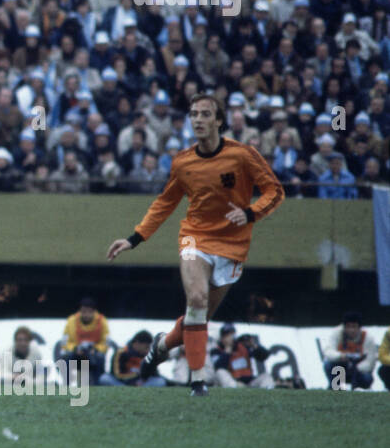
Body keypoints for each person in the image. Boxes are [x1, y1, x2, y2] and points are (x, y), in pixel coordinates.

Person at [109, 93, 284, 397]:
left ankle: (161, 345)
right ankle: (198, 381)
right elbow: (164, 203)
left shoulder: (242, 155)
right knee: (198, 300)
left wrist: (250, 212)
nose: (198, 120)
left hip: (232, 245)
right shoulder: (183, 162)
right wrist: (134, 238)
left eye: (205, 114)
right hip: (194, 237)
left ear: (218, 120)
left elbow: (275, 191)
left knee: (197, 316)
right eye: (193, 114)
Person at [322, 312, 377, 390]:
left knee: (367, 378)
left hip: (359, 370)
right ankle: (336, 388)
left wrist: (356, 368)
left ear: (359, 327)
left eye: (354, 327)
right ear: (344, 327)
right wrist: (340, 356)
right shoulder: (336, 333)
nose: (351, 330)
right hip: (341, 369)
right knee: (328, 364)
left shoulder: (368, 338)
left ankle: (359, 391)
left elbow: (370, 362)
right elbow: (328, 351)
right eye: (348, 326)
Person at [60, 296, 109, 382]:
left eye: (89, 312)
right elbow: (65, 342)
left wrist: (96, 349)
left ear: (94, 312)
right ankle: (66, 384)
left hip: (93, 354)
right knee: (66, 356)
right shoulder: (72, 321)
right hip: (76, 353)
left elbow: (105, 342)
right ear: (80, 311)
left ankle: (99, 385)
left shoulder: (102, 321)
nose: (86, 314)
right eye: (83, 311)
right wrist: (75, 349)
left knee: (100, 357)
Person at [211, 324, 273, 389]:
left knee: (266, 377)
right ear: (222, 338)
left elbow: (264, 356)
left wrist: (254, 345)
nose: (230, 338)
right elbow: (218, 367)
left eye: (232, 335)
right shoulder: (216, 350)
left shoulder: (243, 347)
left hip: (249, 382)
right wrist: (228, 349)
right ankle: (233, 391)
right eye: (227, 336)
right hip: (233, 381)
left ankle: (264, 395)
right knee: (220, 372)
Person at [100, 330, 168, 386]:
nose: (148, 350)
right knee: (105, 378)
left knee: (160, 381)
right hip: (123, 383)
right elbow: (117, 374)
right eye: (146, 347)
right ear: (137, 343)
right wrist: (136, 376)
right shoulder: (121, 353)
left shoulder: (148, 355)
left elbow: (155, 374)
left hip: (141, 384)